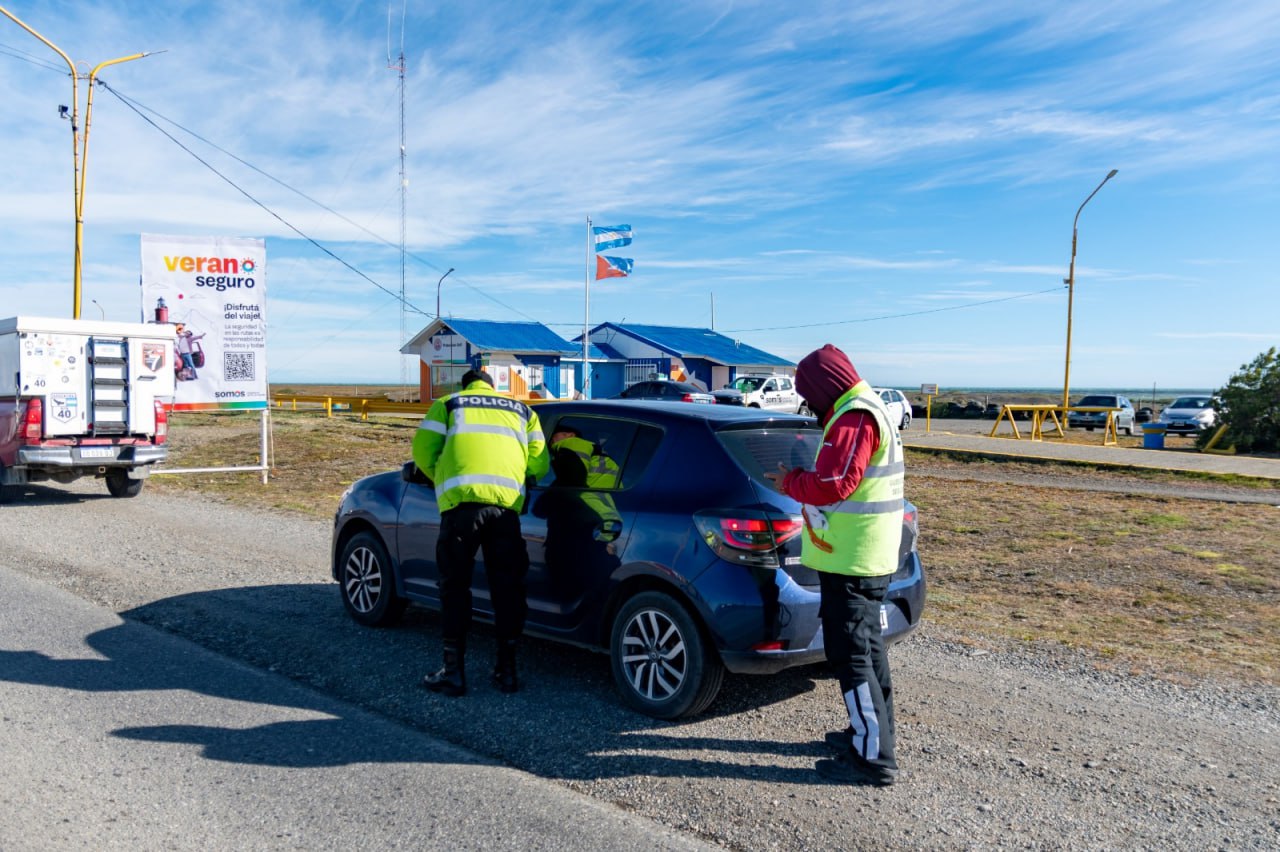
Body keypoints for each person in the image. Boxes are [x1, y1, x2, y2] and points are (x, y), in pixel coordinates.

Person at [764, 344, 905, 786]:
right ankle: (869, 734)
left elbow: (833, 483)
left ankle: (872, 760)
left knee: (853, 655)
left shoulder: (853, 417)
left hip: (854, 561)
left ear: (826, 387)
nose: (811, 406)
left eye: (810, 395)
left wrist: (789, 481)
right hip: (864, 556)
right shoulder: (867, 408)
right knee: (867, 651)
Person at [412, 368, 549, 696]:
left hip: (460, 510)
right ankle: (507, 672)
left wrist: (443, 480)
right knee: (508, 589)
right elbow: (539, 464)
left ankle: (454, 673)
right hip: (505, 512)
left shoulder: (449, 404)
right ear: (493, 387)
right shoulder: (523, 410)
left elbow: (422, 451)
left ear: (467, 385)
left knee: (454, 588)